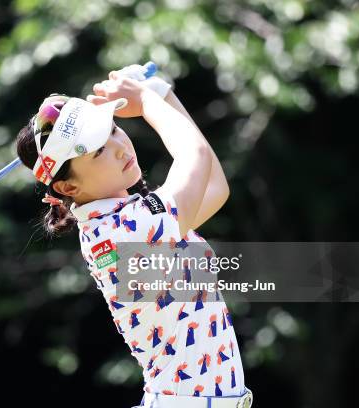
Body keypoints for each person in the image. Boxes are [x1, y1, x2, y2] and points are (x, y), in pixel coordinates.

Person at [15, 66, 253, 408]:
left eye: (113, 129)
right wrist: (146, 101)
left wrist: (160, 93)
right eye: (98, 150)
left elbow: (213, 186)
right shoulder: (126, 229)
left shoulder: (120, 219)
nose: (121, 147)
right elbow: (195, 158)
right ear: (69, 187)